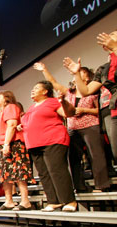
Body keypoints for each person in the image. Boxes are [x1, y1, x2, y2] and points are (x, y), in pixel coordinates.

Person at [63, 27, 117, 214]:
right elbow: (85, 91)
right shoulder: (105, 67)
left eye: (113, 35)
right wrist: (76, 73)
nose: (107, 38)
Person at [34, 62, 110, 192]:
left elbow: (102, 110)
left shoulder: (94, 92)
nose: (76, 77)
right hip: (73, 128)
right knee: (74, 158)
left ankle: (101, 185)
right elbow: (53, 83)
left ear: (86, 77)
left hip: (91, 125)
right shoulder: (69, 92)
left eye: (80, 73)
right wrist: (44, 69)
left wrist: (85, 110)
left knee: (96, 156)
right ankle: (79, 186)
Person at [21, 80, 77, 212]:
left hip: (52, 140)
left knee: (57, 171)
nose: (32, 90)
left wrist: (63, 101)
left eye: (36, 88)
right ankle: (53, 201)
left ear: (45, 91)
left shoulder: (52, 102)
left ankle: (69, 200)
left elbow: (67, 113)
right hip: (34, 144)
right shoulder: (32, 107)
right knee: (44, 174)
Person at [0, 90, 34, 211]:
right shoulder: (0, 112)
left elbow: (12, 125)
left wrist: (7, 144)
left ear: (6, 99)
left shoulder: (11, 107)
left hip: (12, 144)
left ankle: (25, 201)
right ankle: (8, 201)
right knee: (4, 175)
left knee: (18, 172)